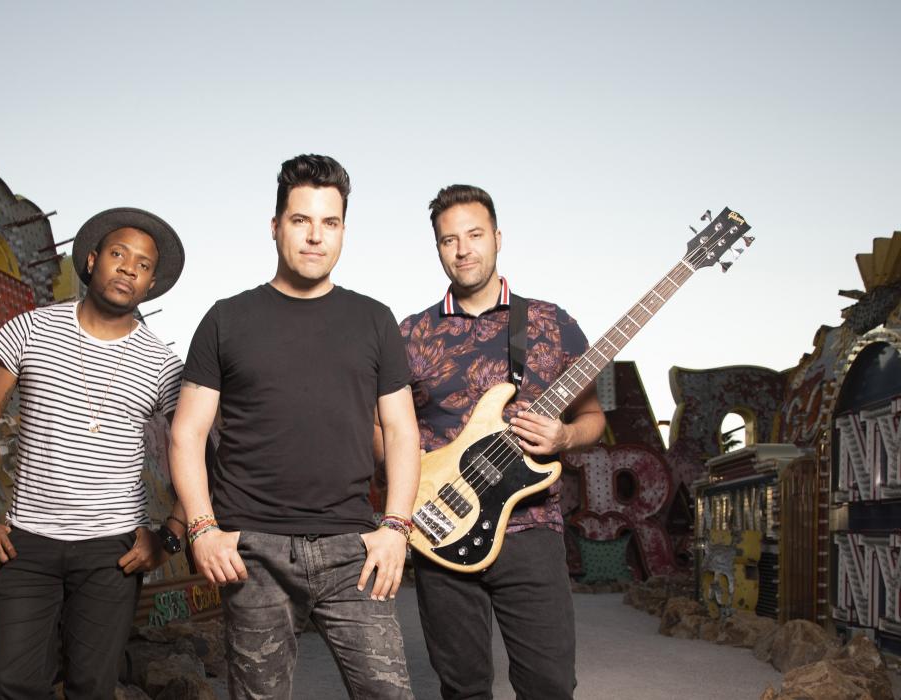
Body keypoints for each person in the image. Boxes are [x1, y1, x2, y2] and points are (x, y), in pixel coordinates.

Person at [170, 154, 420, 699]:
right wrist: (202, 528)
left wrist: (396, 528)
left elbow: (401, 431)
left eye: (329, 223)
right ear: (276, 225)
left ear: (343, 232)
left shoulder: (374, 320)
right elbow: (187, 432)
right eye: (301, 220)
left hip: (352, 548)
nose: (315, 236)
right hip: (252, 550)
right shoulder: (225, 319)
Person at [0, 207, 187, 700]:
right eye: (118, 254)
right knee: (14, 683)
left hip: (112, 550)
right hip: (28, 544)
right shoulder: (30, 329)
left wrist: (170, 536)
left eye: (143, 264)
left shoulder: (164, 364)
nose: (129, 268)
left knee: (92, 686)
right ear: (91, 261)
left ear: (151, 284)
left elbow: (191, 451)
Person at [399, 185, 606, 699]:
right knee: (463, 685)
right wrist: (411, 484)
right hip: (440, 526)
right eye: (449, 240)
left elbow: (592, 416)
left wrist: (564, 435)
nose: (463, 249)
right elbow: (386, 427)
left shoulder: (551, 323)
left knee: (550, 683)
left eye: (474, 234)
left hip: (531, 527)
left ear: (497, 237)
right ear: (438, 248)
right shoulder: (411, 334)